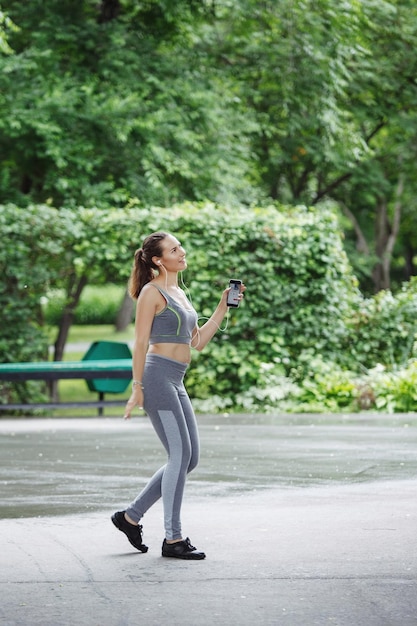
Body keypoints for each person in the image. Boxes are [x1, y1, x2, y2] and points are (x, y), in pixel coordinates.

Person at [111, 231, 245, 560]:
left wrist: (221, 306)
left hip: (176, 379)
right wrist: (137, 387)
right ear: (158, 260)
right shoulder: (151, 292)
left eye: (179, 246)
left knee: (190, 458)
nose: (182, 252)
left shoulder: (179, 292)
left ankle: (130, 517)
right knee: (178, 456)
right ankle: (173, 539)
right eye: (174, 249)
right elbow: (140, 342)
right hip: (156, 377)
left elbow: (197, 342)